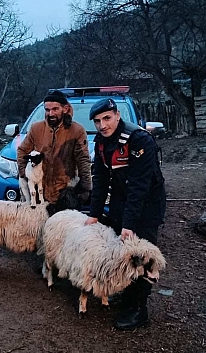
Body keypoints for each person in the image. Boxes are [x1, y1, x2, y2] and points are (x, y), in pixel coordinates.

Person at [84, 98, 166, 330]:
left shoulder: (139, 140)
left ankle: (138, 309)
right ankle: (126, 293)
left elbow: (140, 186)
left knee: (142, 254)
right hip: (122, 201)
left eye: (107, 118)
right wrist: (94, 214)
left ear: (117, 116)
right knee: (124, 254)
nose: (102, 125)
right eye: (98, 121)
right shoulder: (101, 142)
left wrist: (129, 224)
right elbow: (99, 179)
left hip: (147, 204)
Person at [16, 90, 92, 212]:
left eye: (55, 109)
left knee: (62, 229)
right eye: (47, 110)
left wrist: (86, 188)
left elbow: (83, 160)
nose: (50, 113)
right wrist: (26, 175)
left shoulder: (77, 131)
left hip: (64, 192)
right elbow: (22, 151)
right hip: (39, 191)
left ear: (65, 109)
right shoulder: (36, 128)